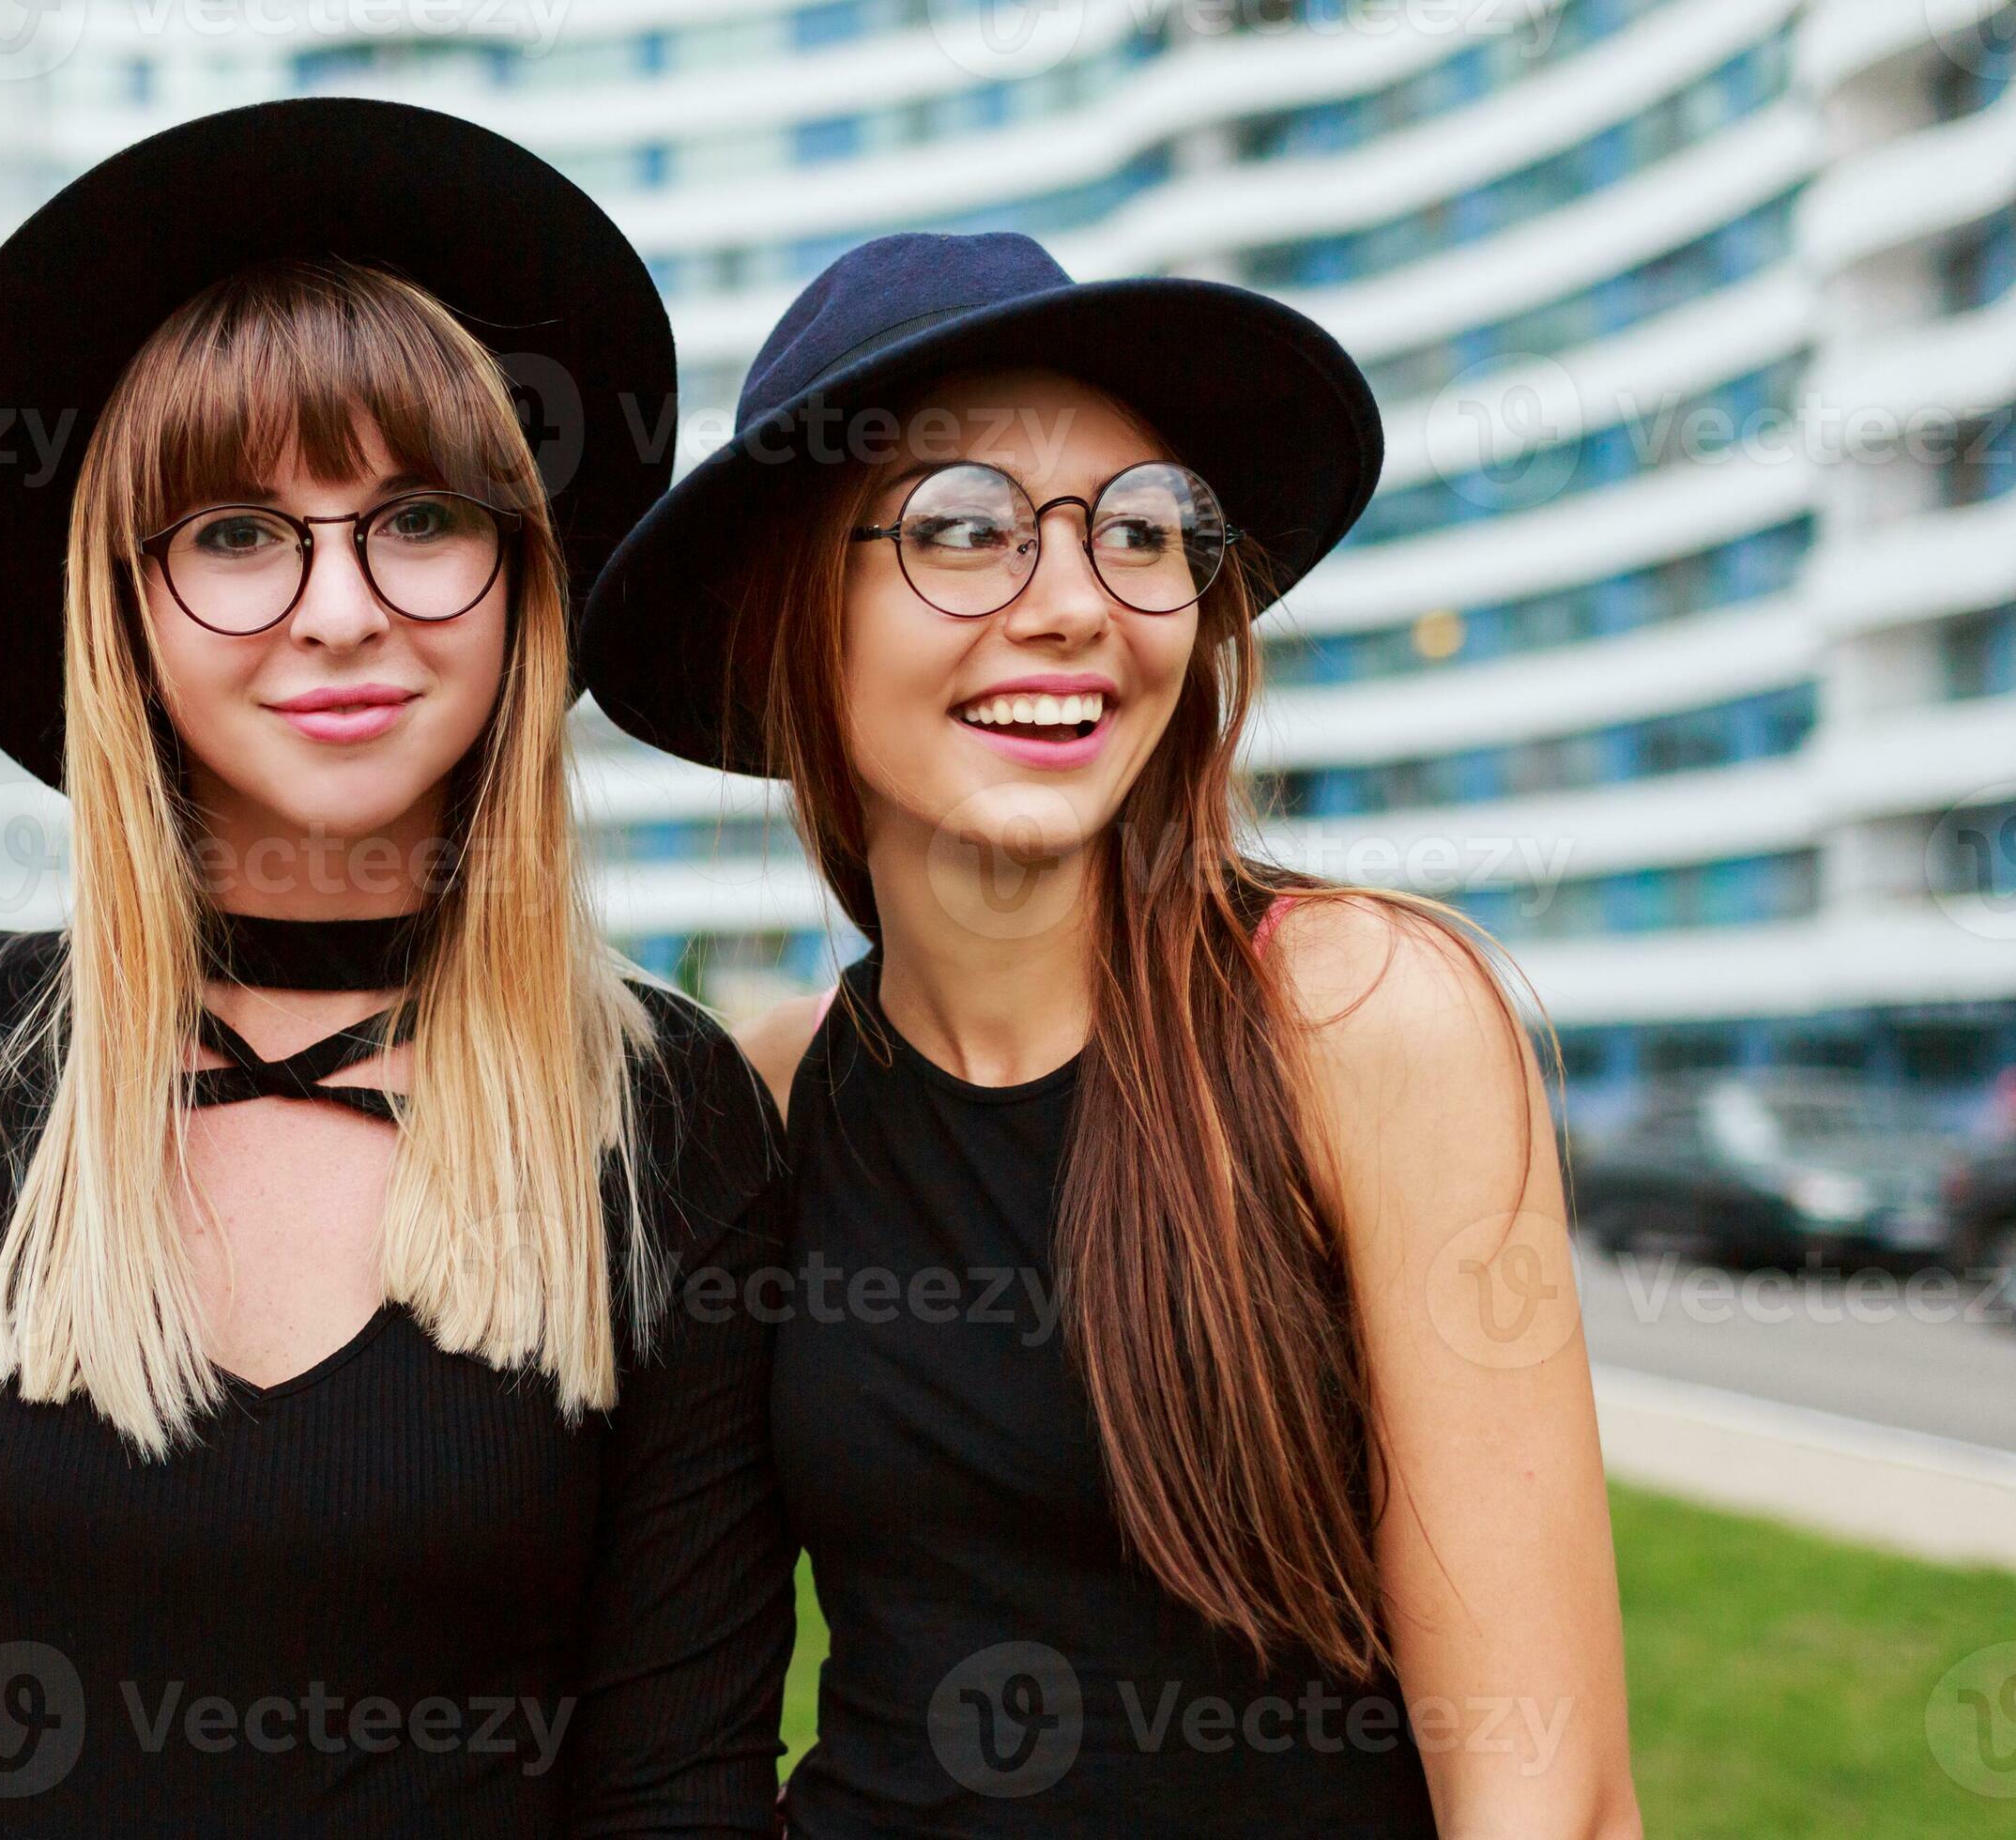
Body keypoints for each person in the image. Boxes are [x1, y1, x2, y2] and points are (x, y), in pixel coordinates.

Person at [0, 100, 792, 1837]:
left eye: (418, 517)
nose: (341, 608)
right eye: (233, 532)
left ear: (521, 583)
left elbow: (679, 1795)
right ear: (123, 608)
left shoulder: (662, 1114)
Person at [577, 230, 1644, 1836]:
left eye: (1142, 531)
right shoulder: (773, 1095)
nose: (1075, 603)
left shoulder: (1357, 1015)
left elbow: (1548, 1794)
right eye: (962, 528)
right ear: (796, 615)